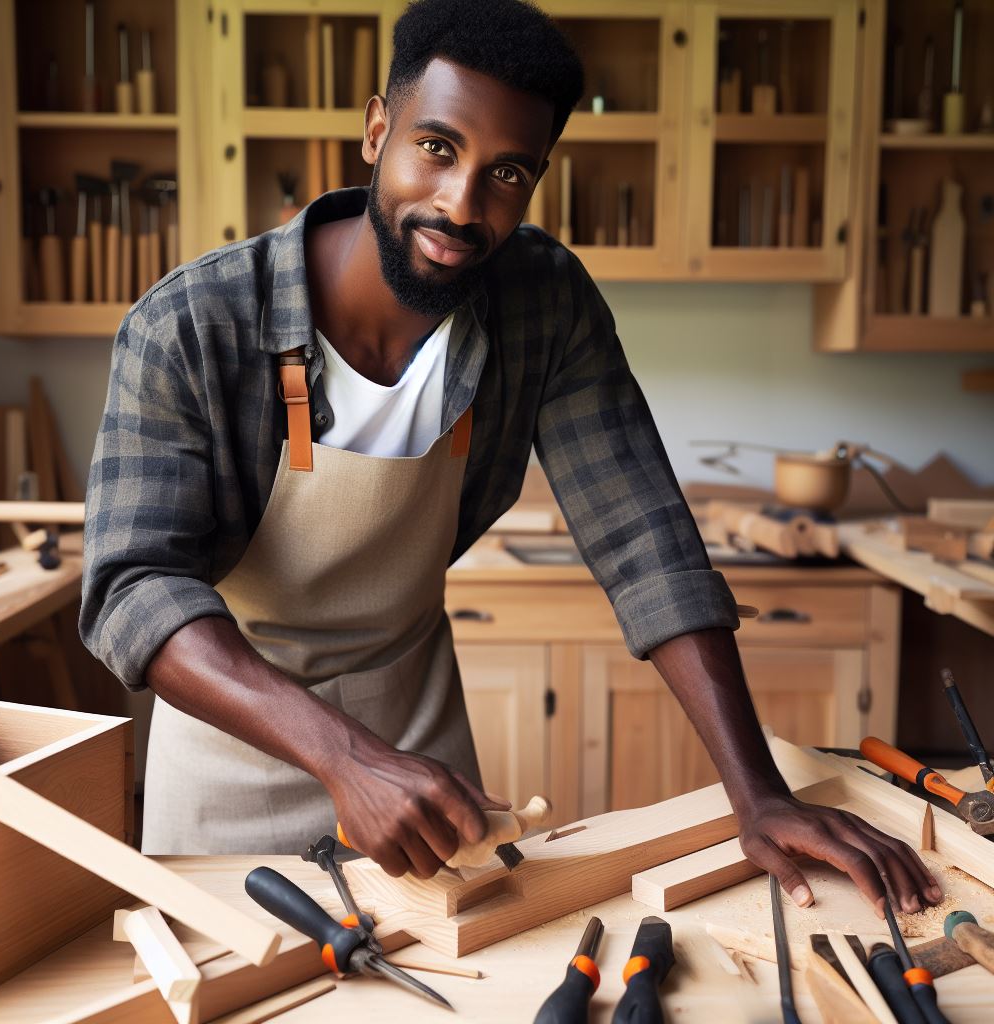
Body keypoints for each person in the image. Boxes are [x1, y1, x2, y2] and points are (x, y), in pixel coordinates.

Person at [81, 0, 940, 918]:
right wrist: (344, 756)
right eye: (437, 149)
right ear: (378, 131)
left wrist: (758, 794)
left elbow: (643, 537)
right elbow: (133, 586)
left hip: (417, 727)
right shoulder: (190, 325)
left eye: (508, 173)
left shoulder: (542, 300)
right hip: (229, 751)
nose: (461, 204)